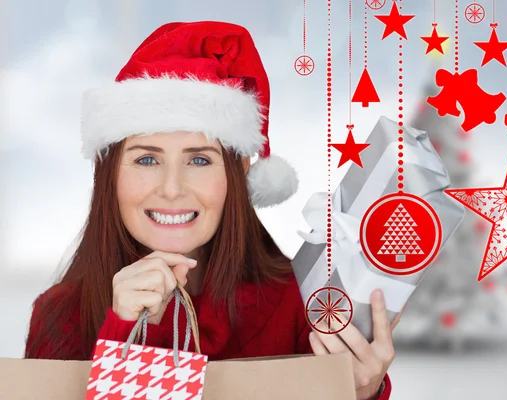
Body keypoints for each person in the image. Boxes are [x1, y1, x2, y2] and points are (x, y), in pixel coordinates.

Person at [24, 21, 399, 399]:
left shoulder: (302, 305)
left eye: (199, 160)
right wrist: (128, 336)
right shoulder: (60, 317)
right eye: (147, 160)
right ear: (110, 176)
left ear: (240, 172)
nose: (171, 189)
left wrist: (360, 392)